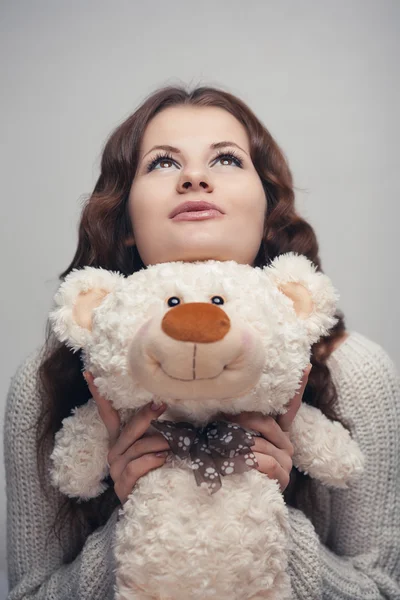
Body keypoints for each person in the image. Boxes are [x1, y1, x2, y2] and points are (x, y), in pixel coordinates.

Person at [4, 84, 399, 600]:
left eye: (228, 160)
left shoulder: (355, 372)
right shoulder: (47, 381)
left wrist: (265, 517)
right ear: (124, 221)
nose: (194, 178)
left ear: (268, 210)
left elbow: (382, 591)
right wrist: (138, 514)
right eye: (163, 164)